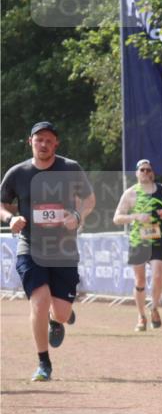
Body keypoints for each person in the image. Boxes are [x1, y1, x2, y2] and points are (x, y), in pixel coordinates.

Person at [0, 121, 95, 381]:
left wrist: (77, 214)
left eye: (49, 140)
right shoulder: (17, 173)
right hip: (30, 246)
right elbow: (2, 204)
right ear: (30, 141)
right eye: (39, 139)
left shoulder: (70, 168)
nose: (44, 144)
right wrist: (10, 219)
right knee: (39, 302)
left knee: (61, 313)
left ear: (56, 144)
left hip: (63, 249)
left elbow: (89, 199)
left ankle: (58, 319)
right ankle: (44, 363)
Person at [113, 159, 162, 332]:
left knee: (158, 275)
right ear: (137, 173)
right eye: (142, 170)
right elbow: (117, 218)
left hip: (158, 237)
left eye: (148, 170)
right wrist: (135, 217)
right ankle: (141, 316)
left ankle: (154, 308)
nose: (145, 172)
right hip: (138, 240)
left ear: (152, 172)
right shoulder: (130, 193)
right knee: (139, 280)